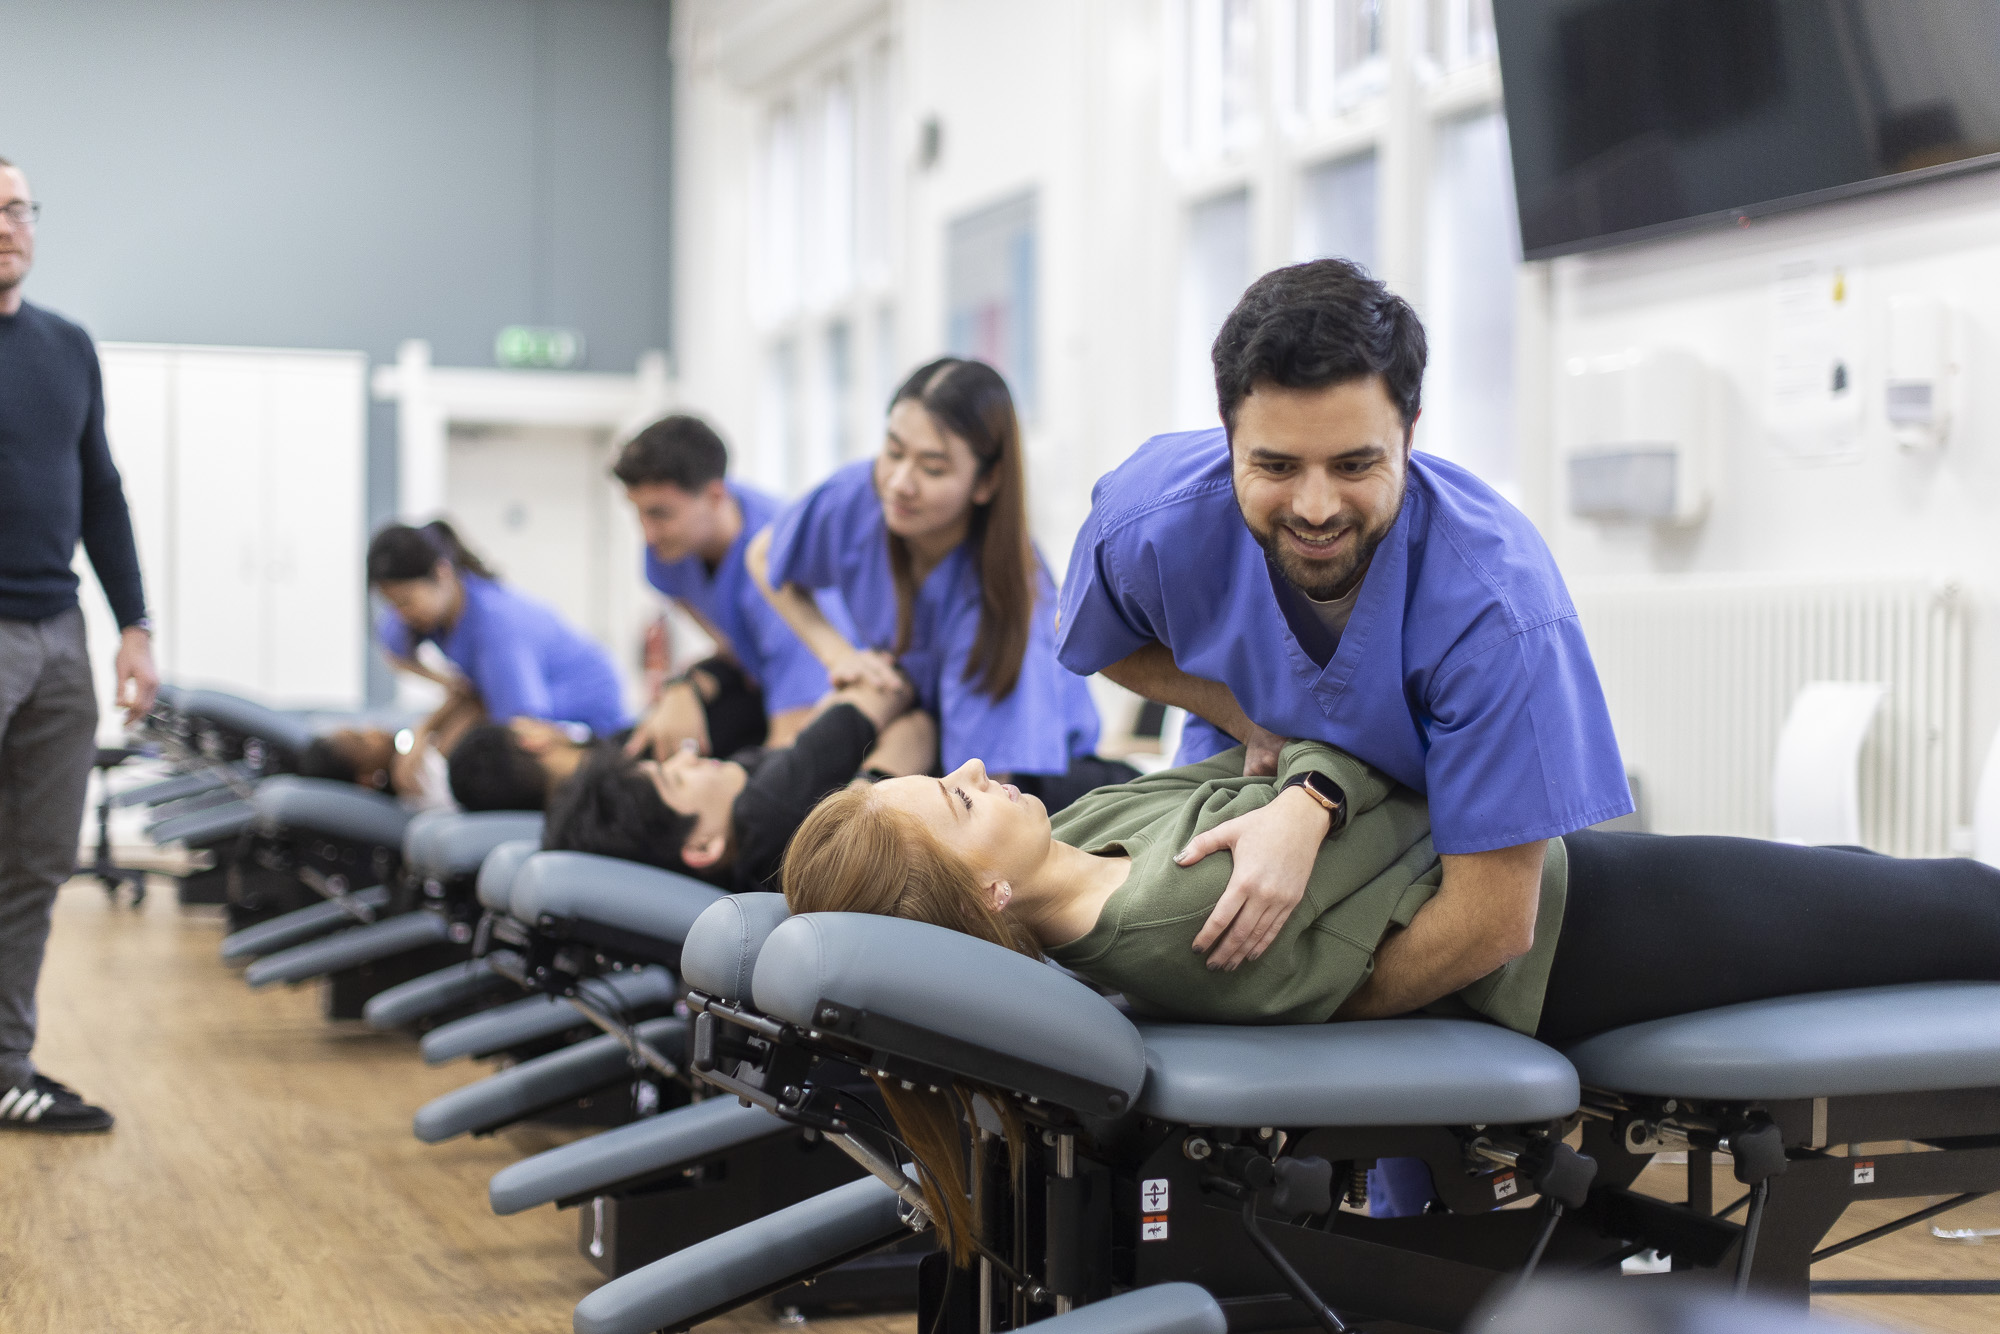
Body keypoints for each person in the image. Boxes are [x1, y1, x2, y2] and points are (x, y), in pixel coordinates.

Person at [783, 746, 2000, 1228]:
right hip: (1585, 938)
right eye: (954, 800)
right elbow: (1383, 787)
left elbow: (1281, 748)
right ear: (980, 902)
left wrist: (1296, 789)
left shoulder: (1094, 828)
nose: (977, 769)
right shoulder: (1160, 914)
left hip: (1583, 893)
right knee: (1943, 912)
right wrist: (1309, 793)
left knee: (1897, 892)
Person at [1054, 260, 1630, 1212]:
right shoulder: (1148, 519)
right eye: (1274, 466)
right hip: (1242, 783)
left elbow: (1492, 918)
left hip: (1432, 854)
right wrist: (1239, 711)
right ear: (1226, 437)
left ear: (1410, 434)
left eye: (1356, 465)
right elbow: (1106, 646)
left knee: (1407, 1177)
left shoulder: (1494, 605)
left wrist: (1292, 1007)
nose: (1315, 508)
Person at [750, 357, 1127, 811]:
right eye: (893, 451)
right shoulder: (858, 497)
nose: (900, 483)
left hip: (1025, 787)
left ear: (986, 482)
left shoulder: (1006, 595)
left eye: (932, 468)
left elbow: (982, 797)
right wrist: (837, 653)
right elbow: (765, 556)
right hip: (926, 742)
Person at [0, 155, 159, 1133]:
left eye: (18, 207)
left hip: (58, 632)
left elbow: (100, 490)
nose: (8, 224)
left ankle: (5, 1063)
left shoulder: (67, 346)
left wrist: (133, 622)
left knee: (36, 859)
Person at [545, 678, 936, 892]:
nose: (688, 756)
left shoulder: (749, 854)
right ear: (702, 846)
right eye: (676, 778)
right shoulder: (764, 812)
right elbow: (890, 689)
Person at [614, 414, 851, 759]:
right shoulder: (667, 551)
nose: (647, 535)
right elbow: (734, 648)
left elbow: (792, 749)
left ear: (714, 496)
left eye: (660, 514)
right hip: (761, 684)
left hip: (838, 701)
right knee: (639, 751)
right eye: (639, 515)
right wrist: (685, 688)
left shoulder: (779, 575)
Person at [369, 519, 629, 740]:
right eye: (392, 604)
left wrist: (434, 728)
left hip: (589, 721)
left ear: (442, 573)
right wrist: (449, 683)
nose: (401, 614)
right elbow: (393, 653)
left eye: (406, 602)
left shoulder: (496, 628)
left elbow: (522, 728)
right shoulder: (425, 616)